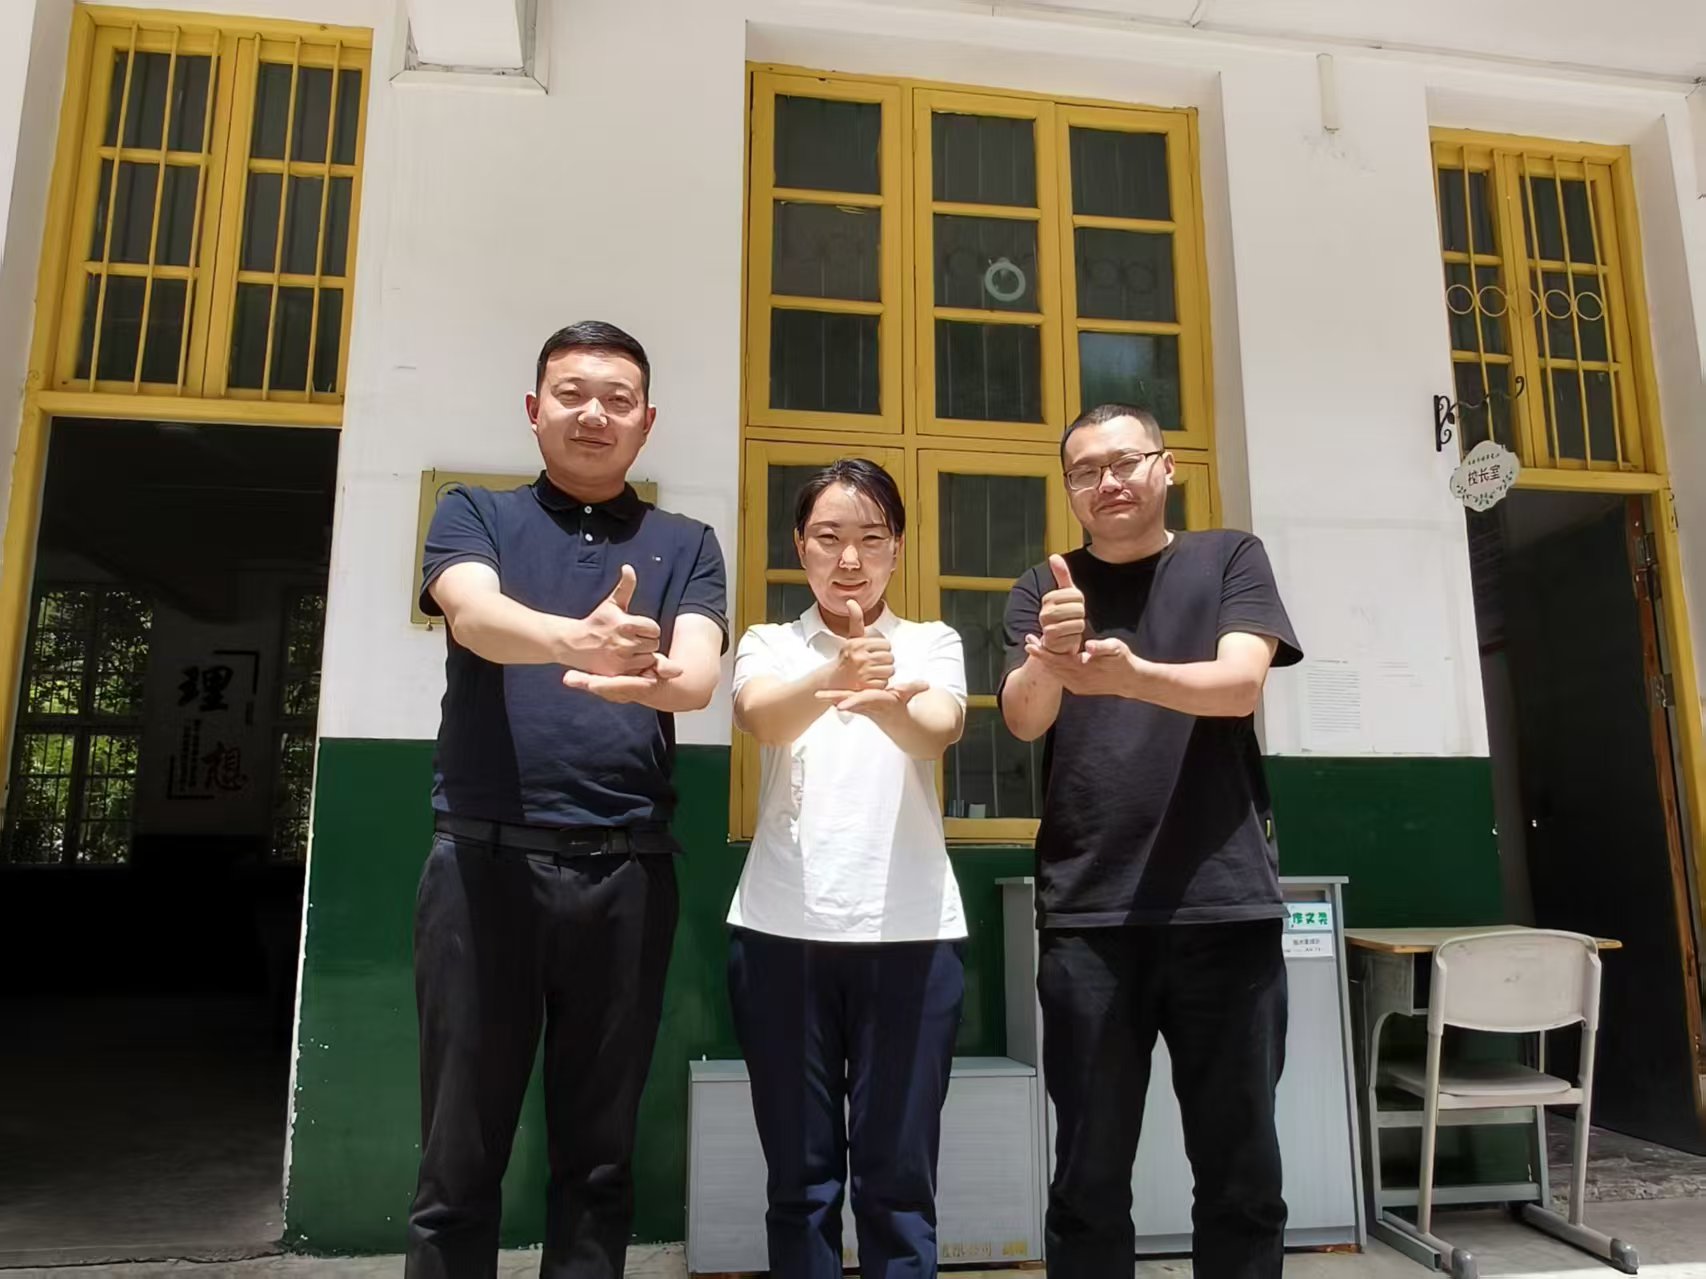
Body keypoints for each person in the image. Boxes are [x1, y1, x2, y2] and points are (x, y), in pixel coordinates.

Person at [409, 321, 728, 1279]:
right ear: (534, 408)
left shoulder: (687, 543)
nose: (595, 414)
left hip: (627, 875)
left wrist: (652, 673)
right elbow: (473, 614)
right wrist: (573, 640)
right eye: (573, 393)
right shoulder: (475, 513)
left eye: (618, 399)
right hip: (481, 870)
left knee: (598, 1161)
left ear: (647, 422)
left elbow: (696, 675)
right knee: (458, 1160)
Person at [998, 403, 1303, 1279]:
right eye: (1085, 471)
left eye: (1125, 461)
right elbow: (1022, 720)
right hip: (1089, 917)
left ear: (1166, 467)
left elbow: (1239, 685)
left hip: (1224, 907)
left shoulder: (1229, 558)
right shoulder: (1045, 587)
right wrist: (1049, 657)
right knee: (1088, 1179)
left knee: (1241, 1175)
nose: (1108, 482)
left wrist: (1132, 675)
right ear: (1069, 489)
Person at [727, 458, 969, 1279]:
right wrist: (832, 675)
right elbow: (761, 718)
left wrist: (888, 696)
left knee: (898, 1184)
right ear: (800, 545)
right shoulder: (770, 643)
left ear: (898, 546)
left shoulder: (931, 642)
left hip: (912, 935)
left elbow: (937, 729)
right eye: (829, 537)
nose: (850, 559)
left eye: (871, 537)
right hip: (780, 934)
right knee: (800, 1182)